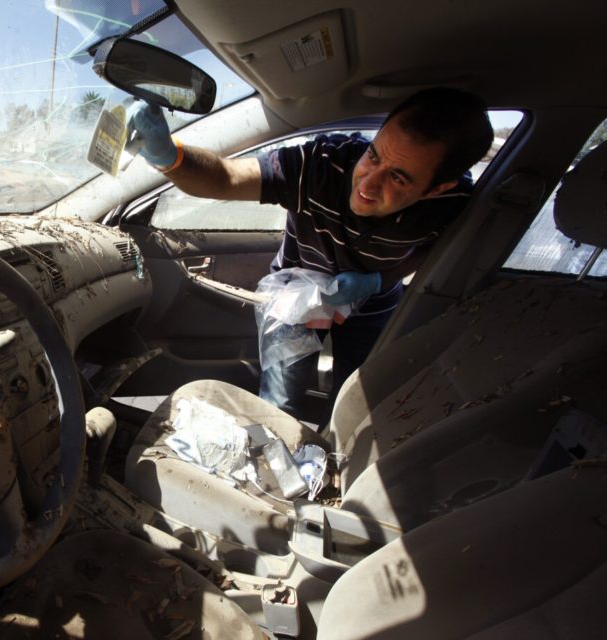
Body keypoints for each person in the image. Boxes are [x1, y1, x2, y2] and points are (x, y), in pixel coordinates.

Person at [130, 87, 493, 421]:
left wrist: (380, 279)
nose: (366, 184)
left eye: (398, 178)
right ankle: (276, 464)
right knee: (279, 401)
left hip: (373, 303)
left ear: (437, 188)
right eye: (373, 156)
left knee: (356, 399)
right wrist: (171, 157)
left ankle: (334, 470)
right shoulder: (321, 164)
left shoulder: (452, 203)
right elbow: (226, 177)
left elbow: (433, 252)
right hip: (295, 300)